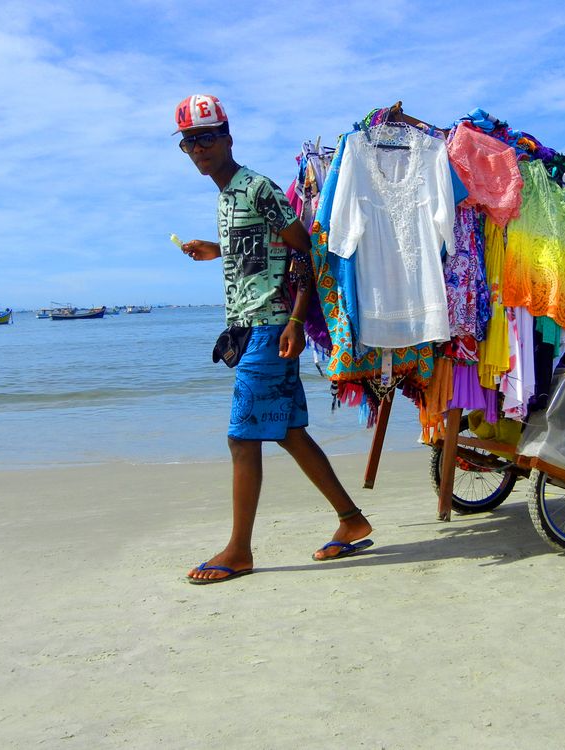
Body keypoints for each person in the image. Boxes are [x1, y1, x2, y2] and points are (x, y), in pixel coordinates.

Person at [174, 94, 373, 584]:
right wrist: (219, 250)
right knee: (286, 432)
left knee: (242, 438)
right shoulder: (225, 197)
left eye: (206, 138)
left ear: (227, 139)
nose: (198, 148)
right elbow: (267, 251)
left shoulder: (258, 188)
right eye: (189, 142)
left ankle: (239, 550)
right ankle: (352, 520)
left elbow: (302, 251)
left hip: (270, 327)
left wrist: (296, 321)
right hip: (247, 330)